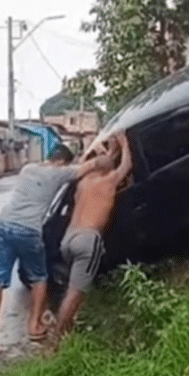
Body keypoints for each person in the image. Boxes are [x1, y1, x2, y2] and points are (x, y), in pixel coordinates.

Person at [0, 143, 103, 350]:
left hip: (4, 226)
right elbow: (95, 165)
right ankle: (34, 326)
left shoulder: (27, 168)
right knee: (39, 278)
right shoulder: (60, 174)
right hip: (29, 230)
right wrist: (104, 150)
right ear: (63, 162)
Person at [53, 131, 132, 338]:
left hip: (68, 239)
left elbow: (94, 164)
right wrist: (124, 144)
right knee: (75, 291)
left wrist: (108, 151)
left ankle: (69, 325)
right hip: (88, 239)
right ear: (109, 170)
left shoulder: (83, 183)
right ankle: (57, 341)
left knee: (73, 286)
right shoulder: (109, 182)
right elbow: (126, 166)